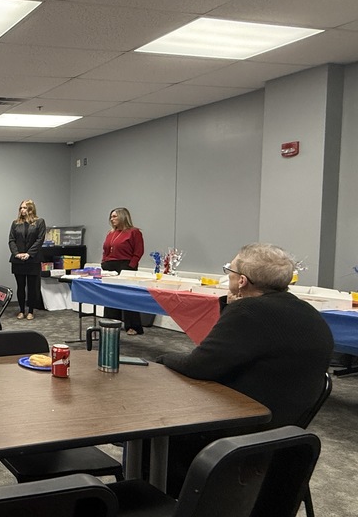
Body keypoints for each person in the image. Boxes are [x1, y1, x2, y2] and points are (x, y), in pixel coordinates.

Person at [156, 243, 334, 494]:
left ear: (241, 281)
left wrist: (161, 358)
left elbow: (200, 365)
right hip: (285, 435)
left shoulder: (250, 311)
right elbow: (233, 352)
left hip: (240, 435)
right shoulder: (307, 312)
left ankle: (156, 498)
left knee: (158, 429)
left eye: (229, 269)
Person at [101, 206, 145, 335]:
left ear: (123, 217)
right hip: (110, 266)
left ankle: (133, 326)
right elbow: (106, 250)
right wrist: (104, 262)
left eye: (114, 216)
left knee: (127, 296)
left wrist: (131, 266)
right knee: (110, 295)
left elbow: (138, 251)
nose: (112, 219)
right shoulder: (110, 233)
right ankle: (111, 322)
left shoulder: (134, 232)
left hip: (126, 266)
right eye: (111, 216)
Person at [8, 199, 46, 320]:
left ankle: (30, 311)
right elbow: (11, 240)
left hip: (33, 259)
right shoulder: (15, 223)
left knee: (32, 286)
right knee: (20, 286)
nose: (22, 210)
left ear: (31, 209)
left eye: (25, 208)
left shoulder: (39, 222)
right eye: (21, 208)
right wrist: (17, 253)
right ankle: (21, 310)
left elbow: (40, 240)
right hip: (18, 260)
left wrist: (29, 254)